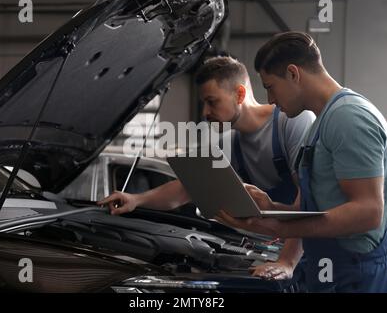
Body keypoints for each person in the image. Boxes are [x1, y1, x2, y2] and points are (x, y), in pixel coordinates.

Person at [216, 32, 387, 292]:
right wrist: (271, 208)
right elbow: (316, 206)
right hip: (331, 275)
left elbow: (368, 211)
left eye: (270, 87)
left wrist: (273, 225)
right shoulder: (319, 124)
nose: (270, 100)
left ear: (293, 73)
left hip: (360, 279)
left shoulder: (349, 118)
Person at [99, 56, 315, 281]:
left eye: (212, 101)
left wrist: (287, 262)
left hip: (311, 253)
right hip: (273, 249)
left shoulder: (291, 123)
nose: (205, 112)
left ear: (239, 95)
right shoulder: (228, 143)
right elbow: (186, 189)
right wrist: (136, 200)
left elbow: (308, 201)